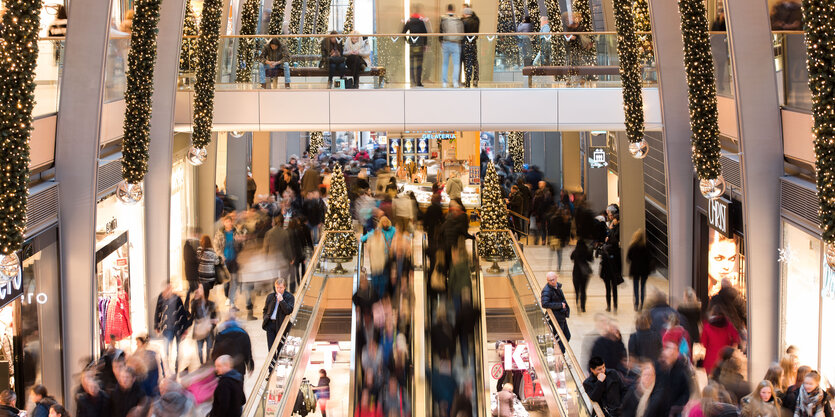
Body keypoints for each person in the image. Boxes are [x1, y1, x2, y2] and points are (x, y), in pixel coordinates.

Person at [153, 284, 190, 374]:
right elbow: (158, 311)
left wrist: (185, 328)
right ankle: (166, 368)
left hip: (178, 328)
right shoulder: (161, 298)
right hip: (167, 328)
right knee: (166, 349)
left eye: (169, 288)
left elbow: (182, 313)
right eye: (166, 288)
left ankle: (177, 368)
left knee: (178, 349)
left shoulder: (177, 298)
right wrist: (156, 325)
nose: (168, 290)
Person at [652, 342, 693, 417]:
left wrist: (676, 407)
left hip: (674, 410)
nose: (671, 353)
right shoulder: (657, 366)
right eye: (668, 349)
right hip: (657, 409)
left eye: (673, 351)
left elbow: (686, 392)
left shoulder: (682, 368)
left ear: (677, 354)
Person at [211, 309, 255, 378]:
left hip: (224, 367)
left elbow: (215, 352)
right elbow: (247, 351)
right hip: (239, 367)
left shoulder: (221, 334)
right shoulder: (243, 334)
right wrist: (250, 365)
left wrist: (215, 367)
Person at [701, 306, 740, 375]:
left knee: (712, 383)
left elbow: (703, 344)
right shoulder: (729, 325)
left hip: (710, 361)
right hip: (725, 360)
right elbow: (736, 339)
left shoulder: (707, 327)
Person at [600, 206, 622, 312]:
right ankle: (615, 306)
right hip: (614, 271)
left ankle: (609, 306)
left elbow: (602, 263)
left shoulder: (605, 250)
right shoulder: (616, 251)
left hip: (608, 273)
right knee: (614, 289)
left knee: (608, 289)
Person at [263, 278, 295, 350]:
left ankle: (277, 361)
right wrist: (265, 318)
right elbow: (265, 310)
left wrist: (281, 300)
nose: (279, 290)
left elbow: (288, 310)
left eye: (281, 288)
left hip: (281, 325)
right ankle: (272, 361)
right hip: (270, 324)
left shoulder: (290, 297)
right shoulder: (270, 296)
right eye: (277, 287)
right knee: (271, 348)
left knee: (280, 347)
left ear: (284, 287)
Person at [541, 272, 571, 349]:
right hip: (555, 317)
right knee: (559, 339)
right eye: (550, 280)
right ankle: (561, 355)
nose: (552, 281)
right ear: (547, 281)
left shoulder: (557, 287)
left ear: (556, 278)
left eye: (553, 279)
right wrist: (560, 305)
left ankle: (560, 351)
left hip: (561, 316)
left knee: (567, 336)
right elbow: (545, 304)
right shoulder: (546, 290)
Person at [191, 285, 217, 364]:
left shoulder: (211, 304)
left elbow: (215, 317)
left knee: (209, 349)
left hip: (208, 330)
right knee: (199, 350)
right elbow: (192, 316)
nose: (198, 289)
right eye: (198, 288)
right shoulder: (195, 303)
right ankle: (202, 365)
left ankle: (207, 365)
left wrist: (211, 325)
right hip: (199, 329)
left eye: (201, 288)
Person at [626, 229, 652, 311]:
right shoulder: (646, 246)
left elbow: (628, 258)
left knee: (636, 287)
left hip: (635, 269)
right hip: (644, 270)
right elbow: (649, 258)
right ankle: (642, 303)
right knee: (643, 287)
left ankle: (636, 303)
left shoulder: (632, 246)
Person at [403, 9, 428, 87]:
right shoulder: (421, 22)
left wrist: (407, 40)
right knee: (419, 65)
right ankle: (418, 82)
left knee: (411, 64)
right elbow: (425, 33)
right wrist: (425, 44)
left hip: (412, 45)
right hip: (420, 44)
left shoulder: (409, 22)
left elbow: (403, 32)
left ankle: (412, 82)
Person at [440, 4, 464, 88]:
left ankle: (444, 82)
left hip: (446, 42)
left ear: (447, 9)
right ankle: (455, 82)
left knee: (445, 64)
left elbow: (440, 31)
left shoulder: (443, 19)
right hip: (456, 43)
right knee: (456, 64)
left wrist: (441, 41)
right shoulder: (458, 19)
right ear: (453, 10)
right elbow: (462, 32)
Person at [570, 239, 592, 312]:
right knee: (583, 290)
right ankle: (583, 306)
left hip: (576, 272)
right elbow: (591, 259)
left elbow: (571, 257)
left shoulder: (575, 252)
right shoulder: (586, 251)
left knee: (577, 290)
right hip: (584, 273)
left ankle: (577, 303)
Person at [461, 8, 480, 88]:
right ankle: (475, 79)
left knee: (467, 62)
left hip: (466, 43)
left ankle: (468, 81)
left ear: (465, 13)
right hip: (473, 43)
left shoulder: (463, 22)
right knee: (475, 61)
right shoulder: (476, 20)